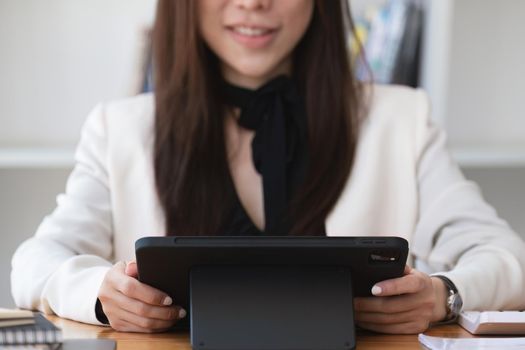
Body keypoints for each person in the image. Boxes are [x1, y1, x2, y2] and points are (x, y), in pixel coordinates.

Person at [11, 0, 525, 335]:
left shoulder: (402, 119)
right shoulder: (118, 128)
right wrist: (100, 293)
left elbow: (507, 257)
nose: (253, 3)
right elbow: (35, 261)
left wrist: (444, 296)